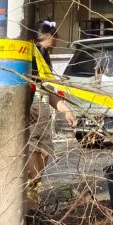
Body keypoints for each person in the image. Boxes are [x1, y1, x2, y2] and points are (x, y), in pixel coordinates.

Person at [27, 19, 77, 208]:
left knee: (39, 169)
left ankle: (33, 211)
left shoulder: (43, 57)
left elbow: (48, 88)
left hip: (43, 117)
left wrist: (65, 109)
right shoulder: (27, 56)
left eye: (51, 49)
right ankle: (29, 212)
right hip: (30, 116)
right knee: (32, 174)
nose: (48, 52)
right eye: (47, 47)